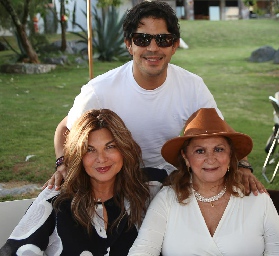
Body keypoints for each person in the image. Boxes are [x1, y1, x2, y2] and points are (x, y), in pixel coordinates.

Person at [47, 1, 263, 195]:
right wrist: (62, 163)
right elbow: (65, 128)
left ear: (174, 46)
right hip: (116, 180)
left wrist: (243, 166)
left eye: (163, 39)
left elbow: (219, 130)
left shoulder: (192, 85)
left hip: (169, 179)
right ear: (129, 45)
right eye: (142, 39)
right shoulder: (100, 89)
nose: (153, 48)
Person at [128, 108, 279, 255]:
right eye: (200, 151)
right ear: (186, 158)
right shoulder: (167, 199)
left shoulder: (257, 199)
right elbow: (142, 251)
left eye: (218, 149)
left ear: (230, 155)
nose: (210, 159)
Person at [0, 109, 151, 255]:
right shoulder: (55, 201)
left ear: (124, 149)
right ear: (77, 155)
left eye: (110, 147)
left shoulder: (143, 192)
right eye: (90, 149)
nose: (102, 158)